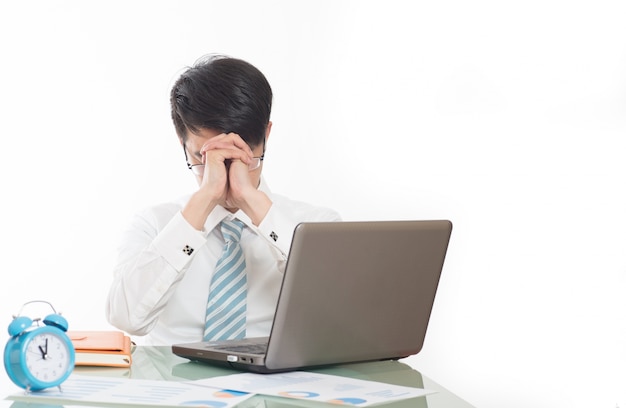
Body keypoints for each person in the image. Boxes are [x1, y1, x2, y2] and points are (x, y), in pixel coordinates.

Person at [106, 54, 341, 345]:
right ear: (182, 143)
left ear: (266, 135)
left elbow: (339, 317)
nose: (227, 171)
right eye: (204, 157)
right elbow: (127, 319)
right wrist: (204, 200)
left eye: (244, 155)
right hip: (175, 385)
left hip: (277, 386)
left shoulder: (318, 225)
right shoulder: (153, 224)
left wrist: (252, 202)